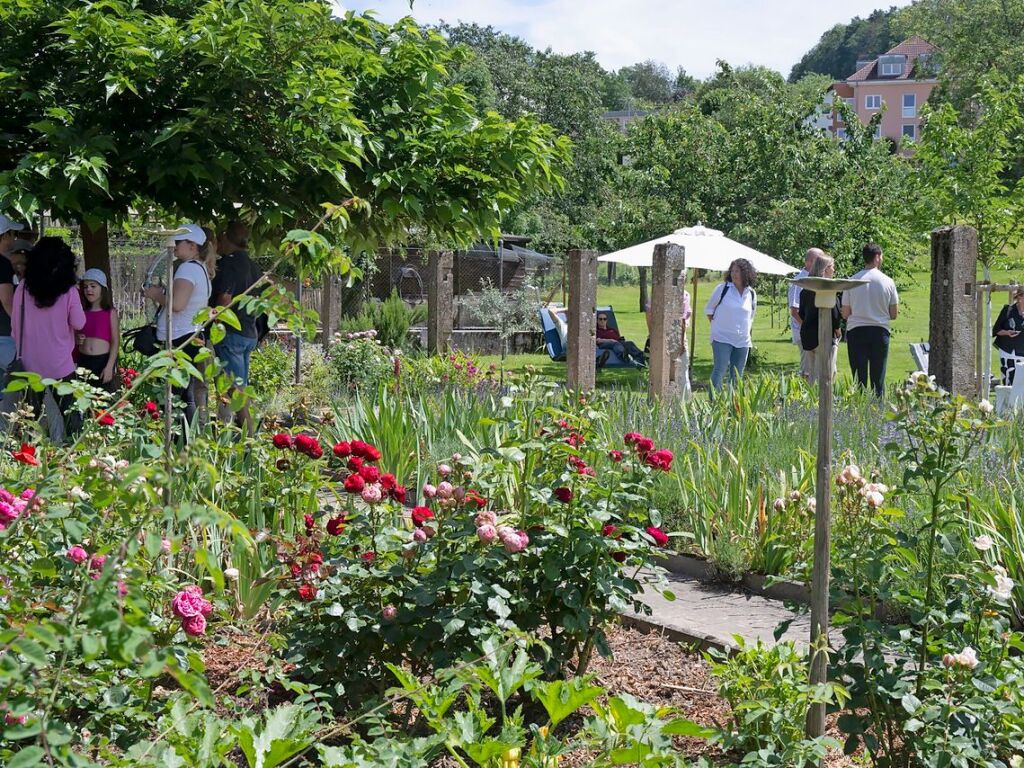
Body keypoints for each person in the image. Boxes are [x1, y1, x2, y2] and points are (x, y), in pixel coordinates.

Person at [6, 237, 86, 441]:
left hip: (30, 367)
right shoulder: (69, 291)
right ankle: (74, 459)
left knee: (32, 423)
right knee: (72, 420)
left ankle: (31, 463)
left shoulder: (23, 289)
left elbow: (14, 329)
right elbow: (79, 323)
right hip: (61, 366)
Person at [142, 224, 212, 425]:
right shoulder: (198, 268)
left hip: (181, 338)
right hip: (190, 335)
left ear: (192, 245)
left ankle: (179, 440)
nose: (173, 246)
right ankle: (182, 440)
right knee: (183, 391)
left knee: (179, 393)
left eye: (178, 242)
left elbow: (178, 304)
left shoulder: (188, 268)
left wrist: (157, 295)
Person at [210, 221, 260, 427]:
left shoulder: (229, 264)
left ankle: (251, 438)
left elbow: (225, 299)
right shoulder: (254, 266)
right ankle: (228, 432)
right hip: (249, 333)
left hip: (230, 333)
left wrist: (215, 323)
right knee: (237, 387)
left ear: (225, 236)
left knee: (235, 390)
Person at [841, 243, 898, 397]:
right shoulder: (888, 282)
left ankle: (859, 411)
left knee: (858, 378)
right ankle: (877, 413)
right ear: (877, 257)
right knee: (877, 378)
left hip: (856, 331)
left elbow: (845, 313)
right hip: (880, 331)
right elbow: (893, 314)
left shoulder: (852, 281)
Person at [705, 258, 757, 392]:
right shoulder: (722, 289)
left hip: (742, 341)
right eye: (732, 271)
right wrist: (717, 326)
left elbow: (751, 316)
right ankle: (713, 404)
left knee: (737, 375)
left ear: (746, 273)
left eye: (738, 271)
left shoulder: (751, 293)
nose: (734, 274)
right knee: (719, 371)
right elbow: (709, 310)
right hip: (722, 338)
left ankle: (733, 404)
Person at [798, 252, 842, 385]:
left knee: (810, 376)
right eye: (832, 266)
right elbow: (834, 313)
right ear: (826, 268)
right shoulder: (828, 289)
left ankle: (811, 402)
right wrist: (838, 328)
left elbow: (801, 313)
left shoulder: (805, 289)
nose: (834, 270)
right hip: (823, 336)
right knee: (826, 376)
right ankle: (823, 404)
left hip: (807, 336)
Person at [76, 268, 120, 391]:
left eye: (93, 286)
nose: (88, 290)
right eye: (85, 287)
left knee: (102, 402)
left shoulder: (110, 313)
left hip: (102, 363)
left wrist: (110, 366)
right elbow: (75, 336)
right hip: (83, 362)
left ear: (102, 288)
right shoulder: (81, 312)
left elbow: (115, 342)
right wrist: (77, 339)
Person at [0, 215, 29, 376]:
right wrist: (23, 326)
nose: (14, 239)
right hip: (4, 337)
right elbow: (6, 300)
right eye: (13, 234)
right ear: (5, 236)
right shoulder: (3, 265)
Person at [790, 248, 823, 379]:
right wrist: (807, 329)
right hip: (803, 333)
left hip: (813, 332)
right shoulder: (800, 281)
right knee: (807, 370)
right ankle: (805, 397)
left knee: (816, 369)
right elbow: (794, 311)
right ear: (809, 262)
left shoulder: (815, 279)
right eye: (819, 260)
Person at [993, 287, 1024, 385]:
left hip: (1022, 351)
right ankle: (1008, 400)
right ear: (1019, 297)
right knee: (1009, 381)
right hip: (1008, 350)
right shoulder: (1008, 310)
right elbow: (996, 330)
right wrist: (1007, 332)